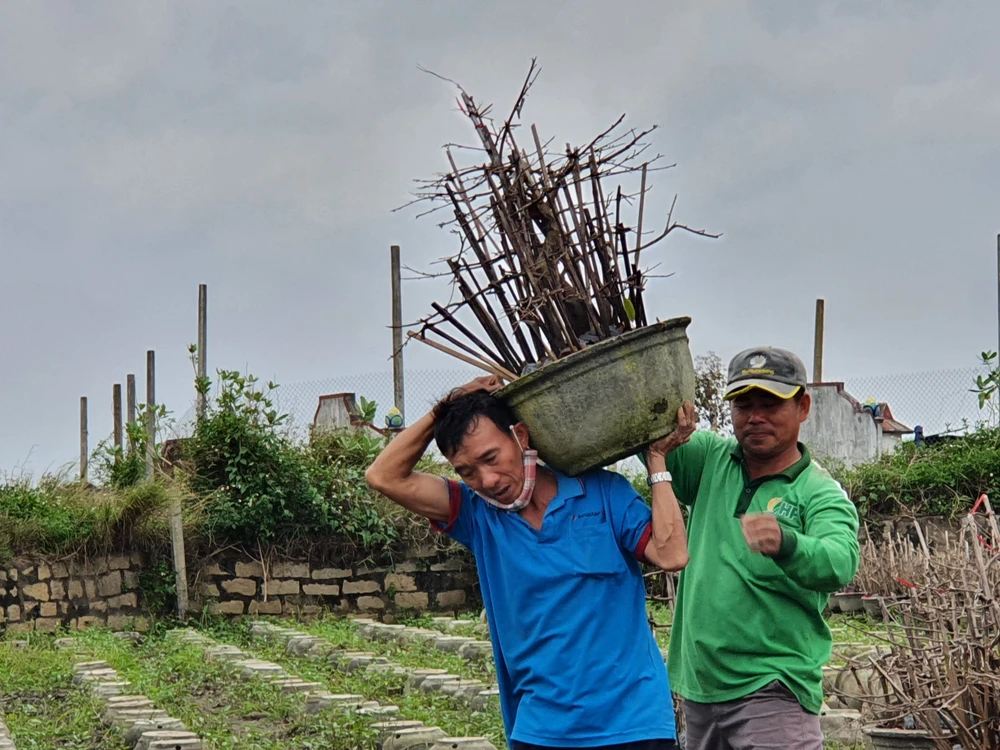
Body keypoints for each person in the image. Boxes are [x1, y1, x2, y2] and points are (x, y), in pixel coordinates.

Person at [365, 375, 695, 750]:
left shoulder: (603, 492)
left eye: (491, 458)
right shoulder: (477, 516)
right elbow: (383, 476)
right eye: (466, 471)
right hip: (541, 728)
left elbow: (672, 554)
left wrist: (656, 461)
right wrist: (442, 409)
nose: (486, 480)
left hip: (634, 724)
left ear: (520, 437)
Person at [663, 347, 861, 750]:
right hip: (700, 687)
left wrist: (788, 543)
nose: (755, 416)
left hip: (773, 688)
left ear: (803, 406)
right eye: (743, 404)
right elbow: (650, 436)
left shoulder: (818, 492)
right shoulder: (709, 459)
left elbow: (840, 560)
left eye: (770, 404)